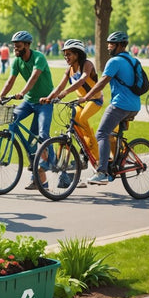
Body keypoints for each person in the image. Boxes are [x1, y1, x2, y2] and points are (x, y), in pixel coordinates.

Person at [0, 31, 54, 190]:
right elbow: (10, 80)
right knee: (12, 119)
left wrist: (22, 92)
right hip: (29, 102)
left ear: (27, 45)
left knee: (42, 134)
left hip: (45, 101)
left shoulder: (39, 57)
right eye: (14, 46)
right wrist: (1, 96)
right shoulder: (16, 61)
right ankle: (40, 180)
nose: (16, 48)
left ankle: (50, 162)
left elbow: (33, 78)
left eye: (19, 46)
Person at [80, 31, 141, 185]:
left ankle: (102, 172)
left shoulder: (114, 62)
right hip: (135, 105)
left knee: (101, 133)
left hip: (120, 105)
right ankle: (118, 161)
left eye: (111, 44)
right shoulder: (132, 60)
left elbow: (102, 82)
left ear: (120, 45)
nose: (108, 47)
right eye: (108, 43)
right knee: (111, 134)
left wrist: (87, 97)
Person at [41, 39, 103, 188]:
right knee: (71, 128)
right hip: (80, 101)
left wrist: (65, 92)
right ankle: (72, 161)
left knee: (82, 120)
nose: (66, 57)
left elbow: (82, 81)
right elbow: (60, 85)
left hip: (94, 100)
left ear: (77, 54)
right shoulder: (69, 70)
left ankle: (99, 162)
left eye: (68, 54)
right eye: (64, 55)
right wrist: (49, 98)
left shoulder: (87, 65)